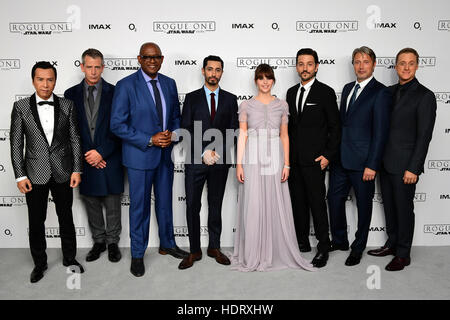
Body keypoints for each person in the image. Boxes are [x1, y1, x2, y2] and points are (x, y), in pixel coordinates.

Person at [110, 42, 188, 277]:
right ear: (139, 59)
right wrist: (149, 139)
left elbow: (176, 116)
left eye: (156, 57)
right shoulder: (125, 86)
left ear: (162, 59)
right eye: (147, 57)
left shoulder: (169, 83)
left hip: (165, 155)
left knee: (165, 203)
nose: (152, 60)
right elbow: (117, 124)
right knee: (139, 208)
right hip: (139, 157)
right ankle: (137, 254)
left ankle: (168, 243)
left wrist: (171, 135)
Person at [231, 63, 315, 272]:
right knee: (254, 202)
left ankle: (276, 250)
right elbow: (242, 135)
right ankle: (253, 252)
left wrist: (286, 163)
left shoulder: (282, 105)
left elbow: (285, 135)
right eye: (261, 78)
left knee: (276, 201)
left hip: (276, 156)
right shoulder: (246, 105)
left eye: (268, 78)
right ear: (255, 81)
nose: (265, 82)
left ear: (273, 80)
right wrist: (239, 164)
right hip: (252, 157)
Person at [10, 61, 84, 283]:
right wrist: (20, 175)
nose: (45, 84)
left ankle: (70, 258)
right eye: (40, 79)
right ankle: (39, 264)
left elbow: (75, 139)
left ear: (55, 80)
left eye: (49, 79)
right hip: (34, 172)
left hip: (63, 170)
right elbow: (15, 144)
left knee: (66, 218)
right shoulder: (21, 107)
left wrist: (77, 169)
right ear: (33, 81)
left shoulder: (67, 105)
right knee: (36, 221)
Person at [368, 48, 436, 271]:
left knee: (404, 209)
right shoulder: (387, 92)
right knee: (390, 207)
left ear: (417, 66)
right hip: (386, 163)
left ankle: (403, 253)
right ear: (396, 66)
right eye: (402, 63)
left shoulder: (425, 96)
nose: (406, 67)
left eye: (410, 63)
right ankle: (392, 244)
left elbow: (424, 136)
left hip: (406, 166)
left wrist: (413, 168)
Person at [327, 46, 391, 266]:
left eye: (365, 61)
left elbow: (381, 133)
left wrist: (372, 164)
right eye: (357, 61)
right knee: (334, 200)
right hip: (341, 159)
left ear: (373, 64)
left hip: (364, 163)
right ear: (353, 64)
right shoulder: (346, 89)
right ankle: (339, 240)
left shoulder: (381, 92)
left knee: (364, 205)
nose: (361, 66)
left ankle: (358, 247)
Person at [178, 55, 239, 270]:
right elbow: (185, 128)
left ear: (222, 72)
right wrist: (203, 151)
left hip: (220, 162)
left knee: (216, 205)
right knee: (193, 205)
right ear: (203, 71)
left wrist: (216, 151)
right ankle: (194, 250)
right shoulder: (192, 98)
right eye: (210, 69)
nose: (214, 73)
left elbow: (233, 131)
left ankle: (214, 247)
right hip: (195, 161)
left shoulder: (231, 99)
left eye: (218, 70)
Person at [64, 49, 124, 263]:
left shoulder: (116, 92)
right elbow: (69, 130)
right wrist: (87, 155)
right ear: (82, 67)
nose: (93, 71)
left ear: (103, 67)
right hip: (84, 157)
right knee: (91, 201)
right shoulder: (70, 94)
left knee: (112, 201)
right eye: (89, 66)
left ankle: (113, 242)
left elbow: (121, 128)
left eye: (97, 66)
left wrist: (102, 152)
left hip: (110, 155)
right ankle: (98, 241)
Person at [286, 48, 341, 268]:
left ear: (316, 66)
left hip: (316, 161)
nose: (305, 68)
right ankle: (301, 243)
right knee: (298, 204)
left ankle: (323, 247)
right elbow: (290, 129)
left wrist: (328, 155)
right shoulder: (290, 93)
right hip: (295, 162)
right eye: (301, 64)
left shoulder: (325, 92)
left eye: (309, 64)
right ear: (297, 67)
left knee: (317, 205)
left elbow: (335, 127)